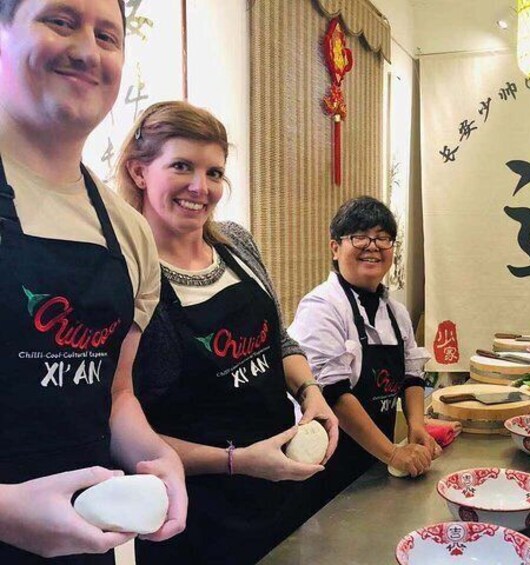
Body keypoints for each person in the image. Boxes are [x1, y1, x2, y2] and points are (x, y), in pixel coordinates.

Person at [0, 0, 187, 561]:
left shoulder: (129, 234)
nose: (86, 51)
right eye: (60, 21)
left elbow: (115, 393)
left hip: (86, 547)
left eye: (108, 36)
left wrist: (160, 455)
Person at [115, 101, 340, 565]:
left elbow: (277, 341)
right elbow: (119, 429)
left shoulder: (236, 242)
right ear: (139, 172)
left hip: (280, 489)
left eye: (214, 172)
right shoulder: (124, 276)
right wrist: (236, 461)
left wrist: (310, 390)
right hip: (195, 515)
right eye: (182, 166)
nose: (201, 187)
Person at [289, 196, 439, 512]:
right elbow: (333, 394)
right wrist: (393, 453)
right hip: (327, 461)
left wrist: (417, 426)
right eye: (359, 236)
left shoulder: (396, 313)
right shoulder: (321, 307)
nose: (372, 246)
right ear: (334, 247)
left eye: (383, 237)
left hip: (373, 458)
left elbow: (412, 375)